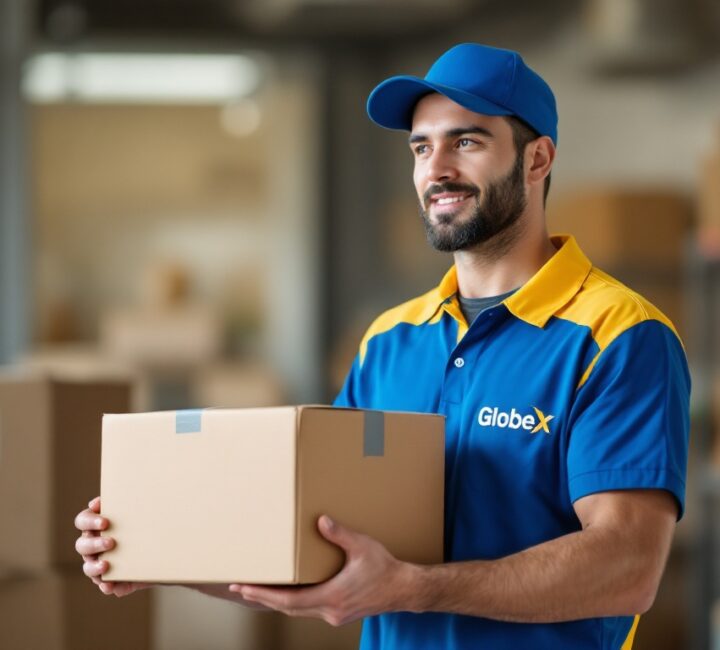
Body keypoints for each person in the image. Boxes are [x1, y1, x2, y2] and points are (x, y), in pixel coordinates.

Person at [75, 43, 690, 649]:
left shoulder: (620, 337)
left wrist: (415, 589)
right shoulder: (391, 341)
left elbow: (627, 567)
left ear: (537, 159)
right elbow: (311, 551)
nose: (436, 168)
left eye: (466, 141)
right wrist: (154, 548)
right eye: (421, 147)